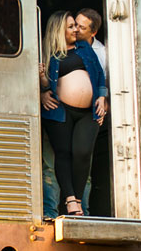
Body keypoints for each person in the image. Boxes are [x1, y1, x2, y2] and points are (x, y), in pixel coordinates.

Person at [40, 11, 107, 216]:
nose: (76, 30)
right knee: (63, 154)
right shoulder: (49, 53)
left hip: (89, 112)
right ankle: (71, 202)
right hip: (61, 111)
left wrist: (102, 96)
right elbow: (46, 85)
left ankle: (77, 199)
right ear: (59, 30)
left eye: (76, 26)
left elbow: (99, 73)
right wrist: (42, 87)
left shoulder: (84, 48)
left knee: (82, 153)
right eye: (71, 27)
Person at [75, 8, 112, 217]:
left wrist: (103, 102)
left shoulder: (102, 54)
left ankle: (83, 211)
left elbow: (103, 84)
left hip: (89, 116)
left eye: (82, 27)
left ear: (93, 32)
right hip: (65, 114)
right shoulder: (66, 44)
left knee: (84, 163)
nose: (77, 29)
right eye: (76, 24)